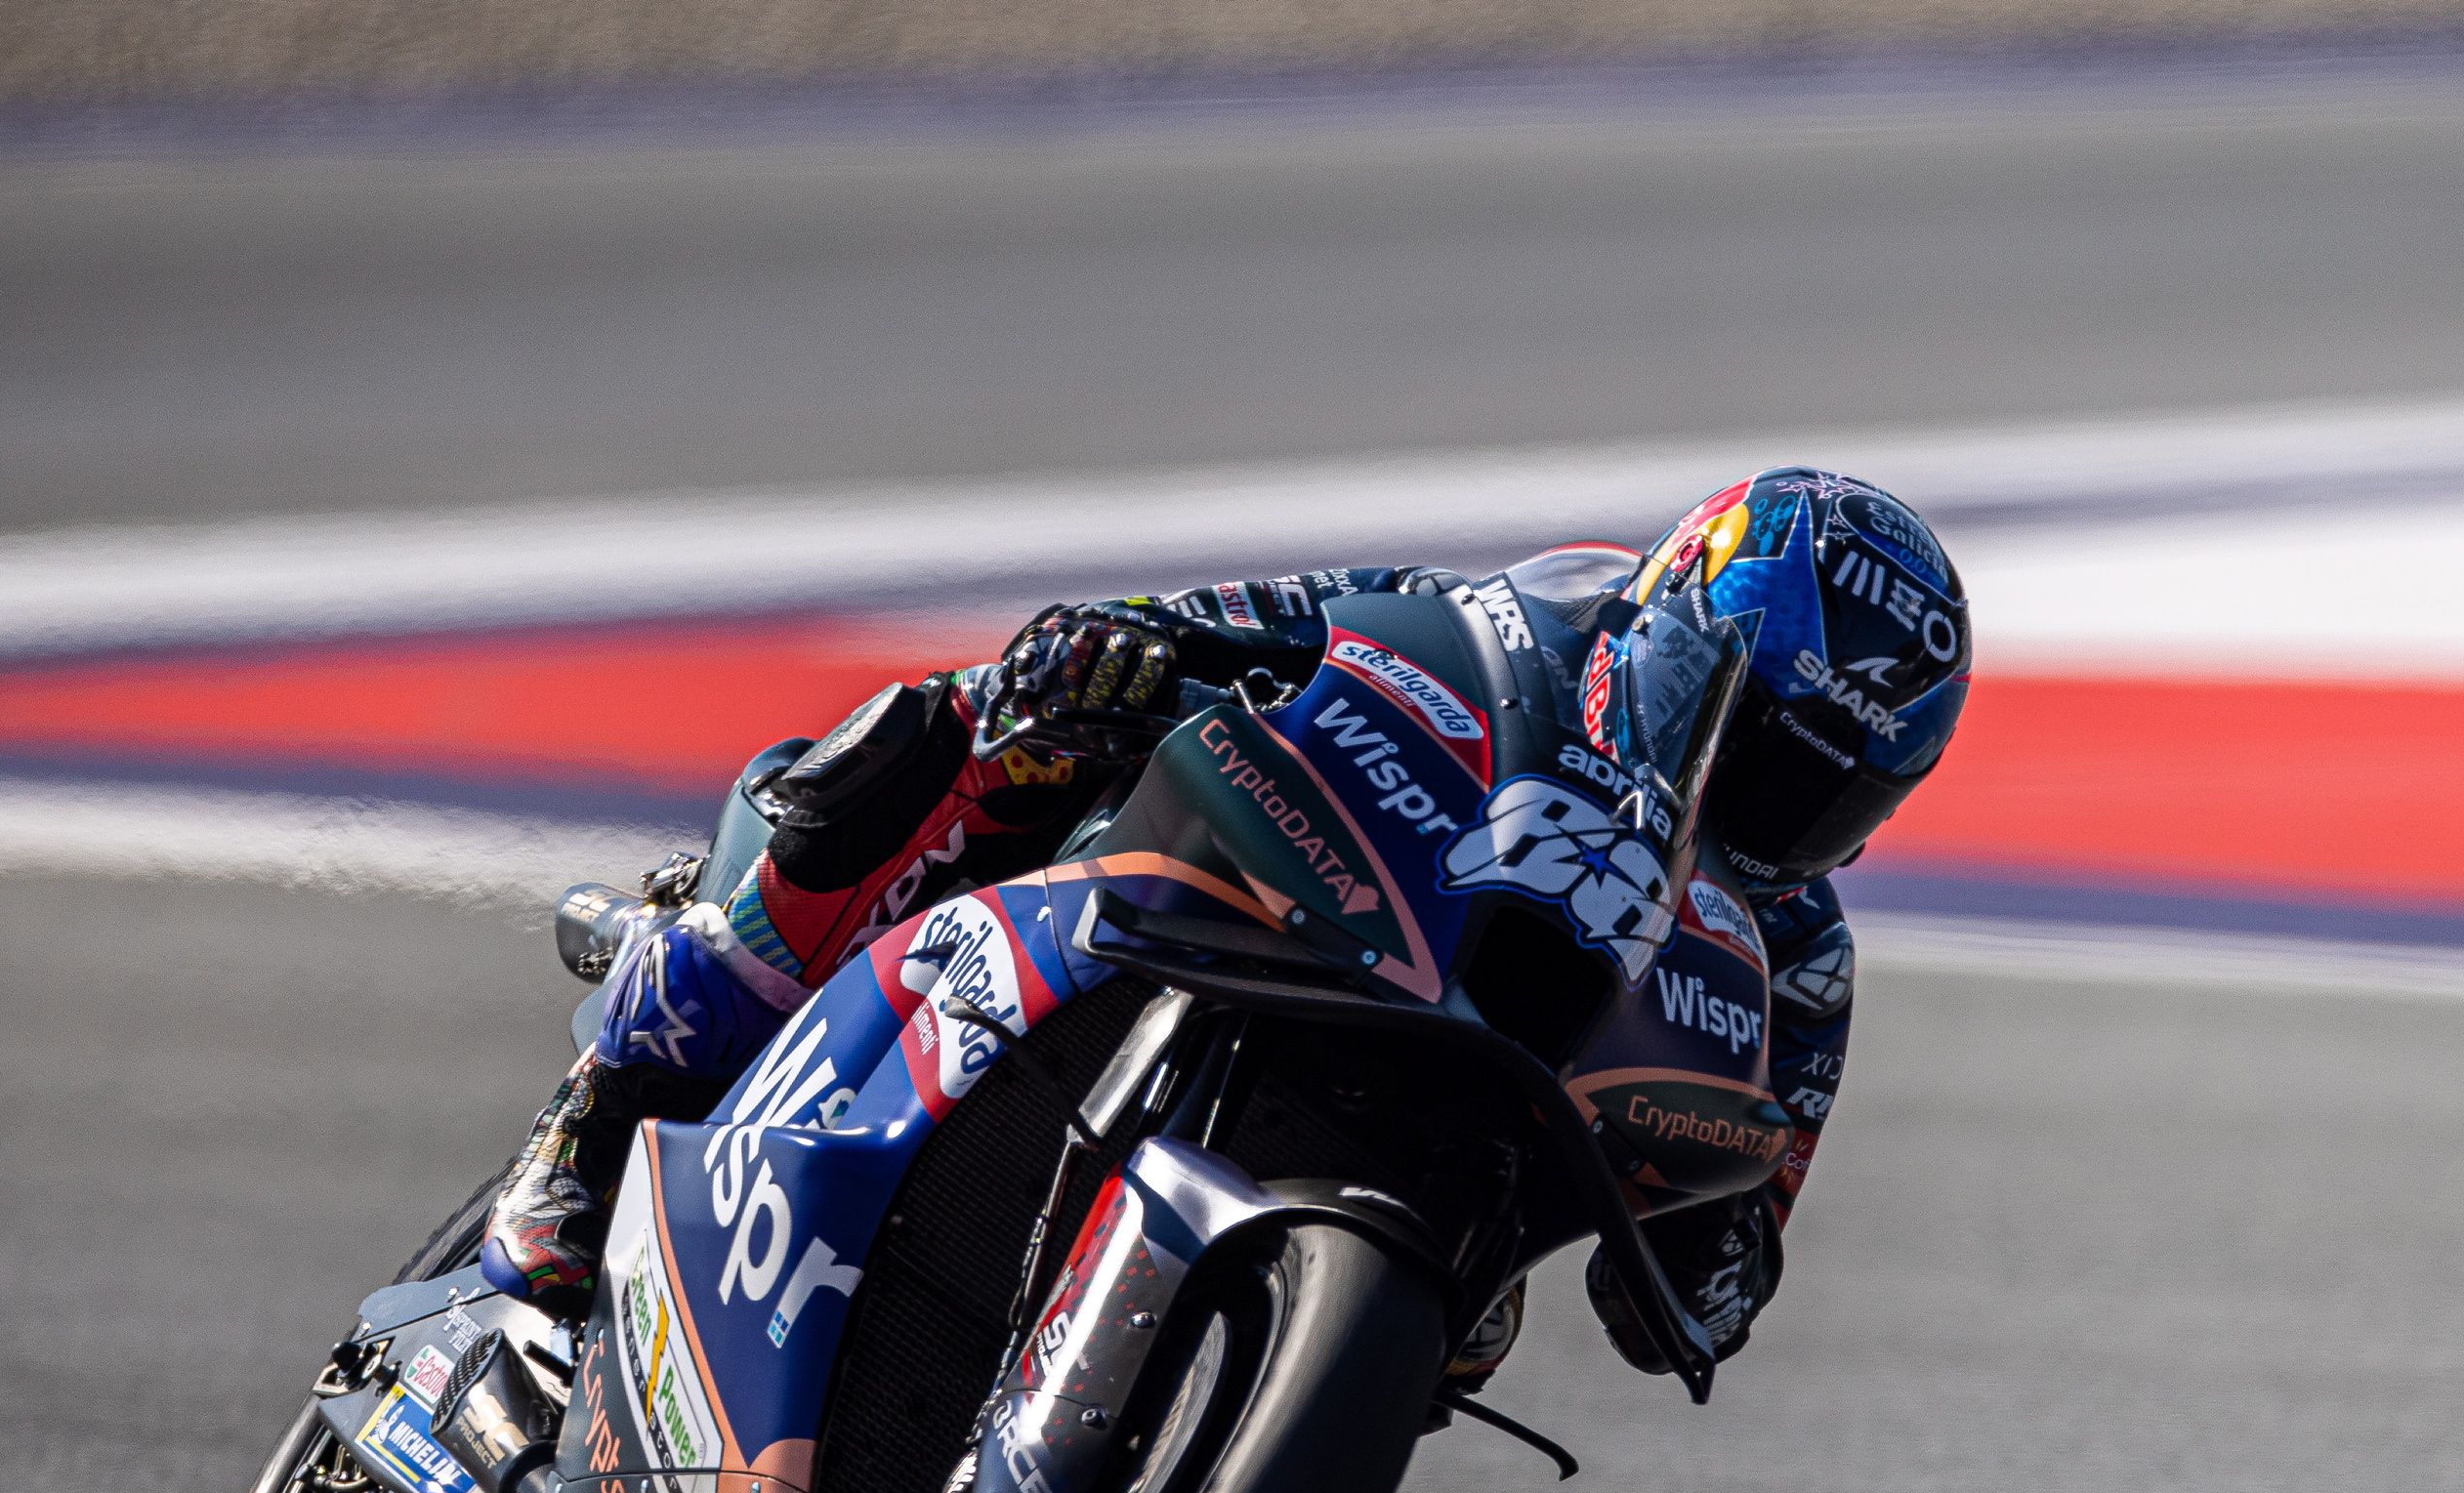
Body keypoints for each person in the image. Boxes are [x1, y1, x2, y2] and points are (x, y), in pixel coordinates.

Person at [479, 466, 1970, 1381]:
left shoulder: (1802, 968)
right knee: (963, 729)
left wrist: (1711, 1241)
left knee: (1468, 1337)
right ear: (1670, 626)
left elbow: (1717, 1281)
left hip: (1438, 1154)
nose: (1760, 801)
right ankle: (604, 1107)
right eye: (1752, 740)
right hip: (1268, 915)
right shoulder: (1514, 625)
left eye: (1823, 792)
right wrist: (1128, 652)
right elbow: (1244, 617)